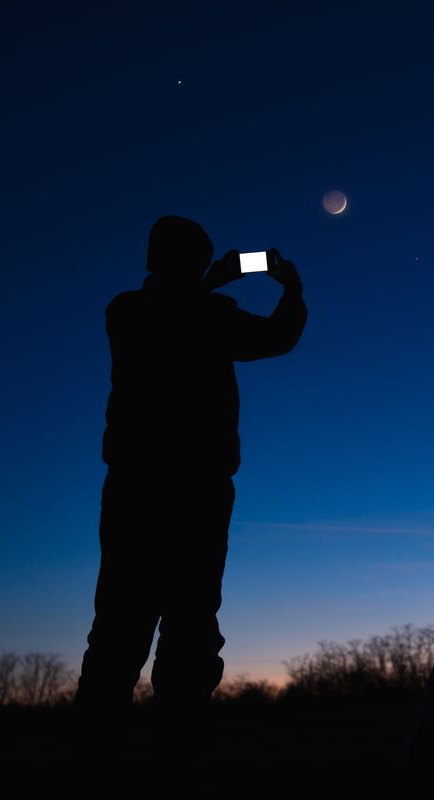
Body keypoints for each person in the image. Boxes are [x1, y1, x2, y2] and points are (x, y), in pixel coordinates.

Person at [75, 215, 306, 724]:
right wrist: (291, 288)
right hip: (196, 493)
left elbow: (176, 312)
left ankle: (92, 754)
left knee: (118, 628)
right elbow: (278, 336)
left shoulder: (126, 312)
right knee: (189, 630)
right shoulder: (209, 315)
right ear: (196, 262)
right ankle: (177, 754)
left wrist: (204, 284)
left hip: (132, 491)